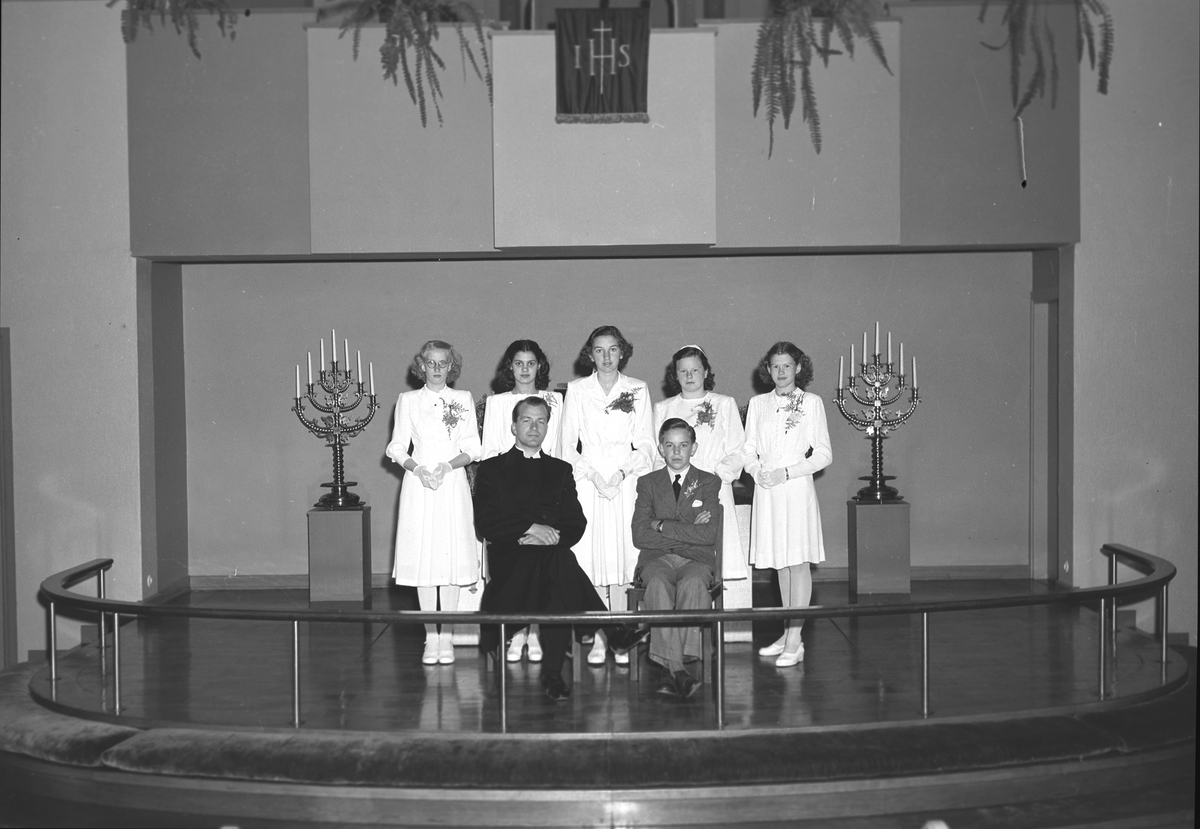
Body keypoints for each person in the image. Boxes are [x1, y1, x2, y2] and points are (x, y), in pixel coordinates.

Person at [474, 396, 649, 700]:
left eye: (541, 421)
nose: (534, 427)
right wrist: (531, 529)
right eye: (527, 420)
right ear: (514, 427)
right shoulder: (492, 469)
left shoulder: (560, 469)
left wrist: (551, 536)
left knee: (553, 567)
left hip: (549, 558)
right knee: (556, 564)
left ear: (548, 428)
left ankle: (556, 673)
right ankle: (603, 636)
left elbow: (575, 522)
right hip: (510, 564)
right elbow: (487, 523)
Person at [560, 325, 655, 665]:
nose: (606, 357)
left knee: (620, 555)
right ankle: (602, 636)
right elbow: (566, 445)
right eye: (599, 350)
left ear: (622, 352)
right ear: (590, 354)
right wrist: (593, 475)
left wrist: (622, 473)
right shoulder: (577, 389)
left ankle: (623, 633)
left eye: (612, 349)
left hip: (624, 482)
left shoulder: (638, 389)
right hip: (589, 481)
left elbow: (646, 442)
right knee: (593, 557)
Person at [386, 340, 483, 667]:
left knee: (451, 561)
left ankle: (448, 636)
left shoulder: (462, 398)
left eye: (443, 363)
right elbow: (396, 446)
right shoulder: (408, 400)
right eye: (431, 363)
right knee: (426, 561)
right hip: (419, 484)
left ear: (451, 366)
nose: (437, 368)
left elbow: (473, 447)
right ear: (422, 366)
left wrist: (446, 466)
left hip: (451, 482)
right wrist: (417, 469)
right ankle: (431, 637)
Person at [741, 342, 832, 667]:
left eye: (787, 366)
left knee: (798, 563)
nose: (781, 372)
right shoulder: (758, 403)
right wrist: (757, 472)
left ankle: (795, 640)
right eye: (775, 366)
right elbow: (748, 449)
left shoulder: (811, 402)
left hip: (795, 488)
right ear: (768, 369)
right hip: (767, 489)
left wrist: (788, 472)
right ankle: (787, 633)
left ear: (798, 367)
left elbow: (824, 454)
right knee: (780, 563)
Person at [481, 340, 563, 665]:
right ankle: (516, 633)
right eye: (519, 363)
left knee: (544, 564)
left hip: (545, 493)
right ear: (510, 367)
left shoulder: (555, 400)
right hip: (509, 498)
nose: (525, 369)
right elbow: (490, 451)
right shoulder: (497, 402)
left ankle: (535, 632)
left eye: (531, 363)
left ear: (539, 366)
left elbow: (558, 448)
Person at [631, 418, 722, 699]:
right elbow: (639, 535)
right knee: (657, 584)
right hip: (656, 558)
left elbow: (708, 534)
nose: (677, 451)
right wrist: (689, 530)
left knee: (693, 584)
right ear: (660, 448)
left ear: (694, 448)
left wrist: (661, 525)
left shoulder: (708, 481)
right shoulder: (648, 483)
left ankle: (669, 670)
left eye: (683, 445)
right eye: (670, 445)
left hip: (696, 559)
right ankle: (678, 670)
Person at [652, 345, 747, 585]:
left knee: (714, 559)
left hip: (713, 485)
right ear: (675, 375)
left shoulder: (724, 404)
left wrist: (716, 477)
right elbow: (657, 455)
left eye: (695, 370)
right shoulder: (663, 408)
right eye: (683, 371)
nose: (689, 376)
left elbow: (738, 450)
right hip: (675, 491)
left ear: (705, 372)